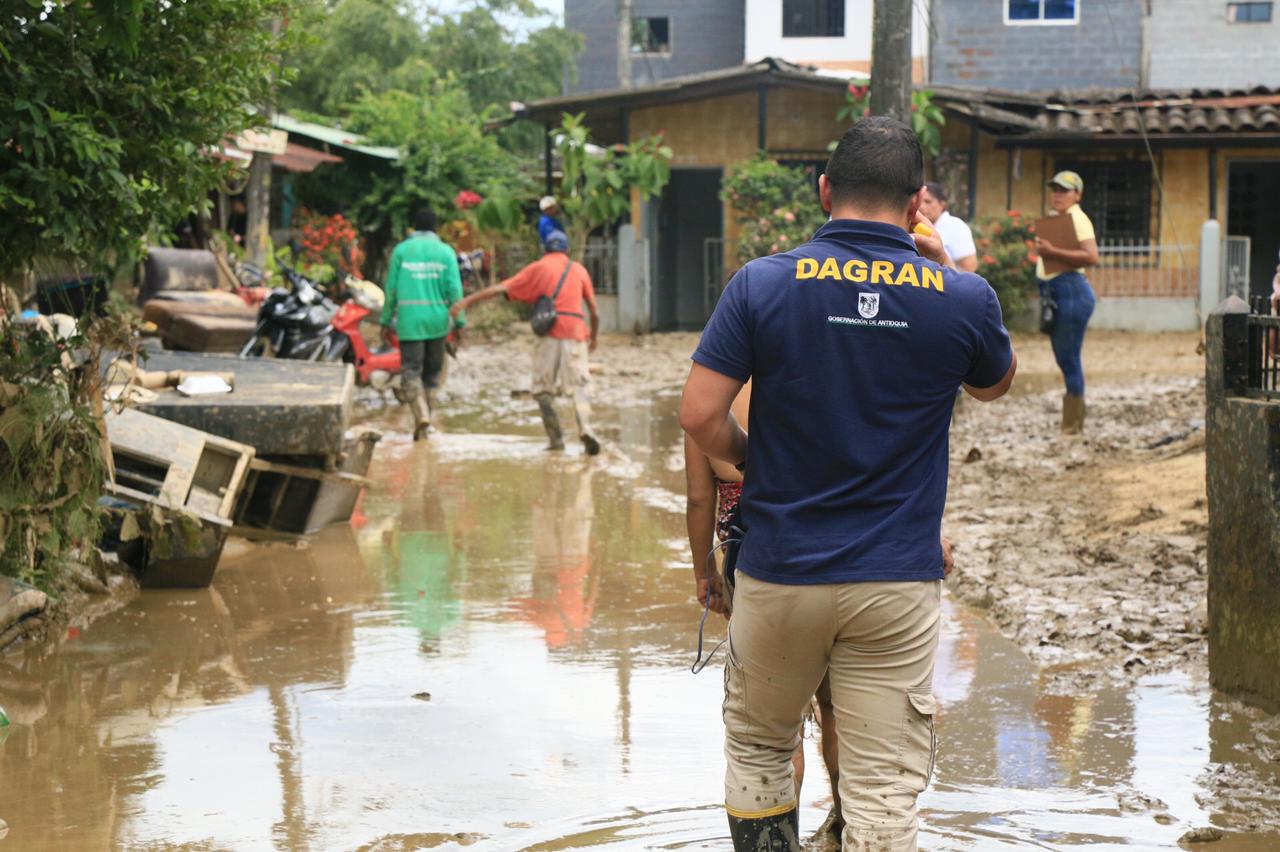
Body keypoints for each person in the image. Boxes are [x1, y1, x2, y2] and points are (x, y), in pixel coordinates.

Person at [679, 116, 1016, 851]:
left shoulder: (761, 284)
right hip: (896, 580)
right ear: (918, 202)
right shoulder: (962, 298)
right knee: (881, 786)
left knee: (763, 750)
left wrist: (757, 460)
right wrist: (941, 270)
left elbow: (700, 415)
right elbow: (995, 385)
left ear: (825, 189)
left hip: (779, 569)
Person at [684, 382, 845, 841]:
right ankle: (843, 819)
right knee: (836, 709)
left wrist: (705, 573)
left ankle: (782, 838)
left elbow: (700, 500)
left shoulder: (710, 395)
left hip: (753, 560)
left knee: (774, 725)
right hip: (834, 549)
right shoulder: (808, 372)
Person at [449, 230, 602, 456]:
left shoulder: (539, 267)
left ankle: (556, 440)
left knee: (542, 391)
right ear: (567, 250)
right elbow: (595, 312)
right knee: (579, 386)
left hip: (549, 333)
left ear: (545, 249)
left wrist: (466, 302)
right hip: (576, 331)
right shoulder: (579, 269)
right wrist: (594, 337)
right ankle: (586, 428)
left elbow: (501, 288)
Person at [380, 207, 466, 441]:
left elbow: (391, 290)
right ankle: (426, 423)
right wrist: (459, 322)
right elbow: (455, 290)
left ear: (414, 227)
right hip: (438, 323)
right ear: (436, 227)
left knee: (410, 371)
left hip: (409, 322)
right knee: (432, 375)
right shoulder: (446, 252)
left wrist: (385, 320)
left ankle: (421, 416)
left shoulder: (402, 251)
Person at [1033, 170, 1100, 435]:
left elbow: (1091, 256)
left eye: (1064, 190)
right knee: (1063, 357)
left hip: (1071, 291)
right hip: (1057, 293)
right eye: (1055, 189)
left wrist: (1052, 252)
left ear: (1077, 195)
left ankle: (1073, 425)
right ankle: (1071, 421)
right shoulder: (1056, 219)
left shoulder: (1077, 218)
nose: (1058, 194)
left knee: (1069, 358)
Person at [918, 182, 978, 272]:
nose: (922, 206)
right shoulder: (917, 226)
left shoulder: (955, 226)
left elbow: (969, 267)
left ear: (942, 205)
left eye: (928, 202)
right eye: (919, 201)